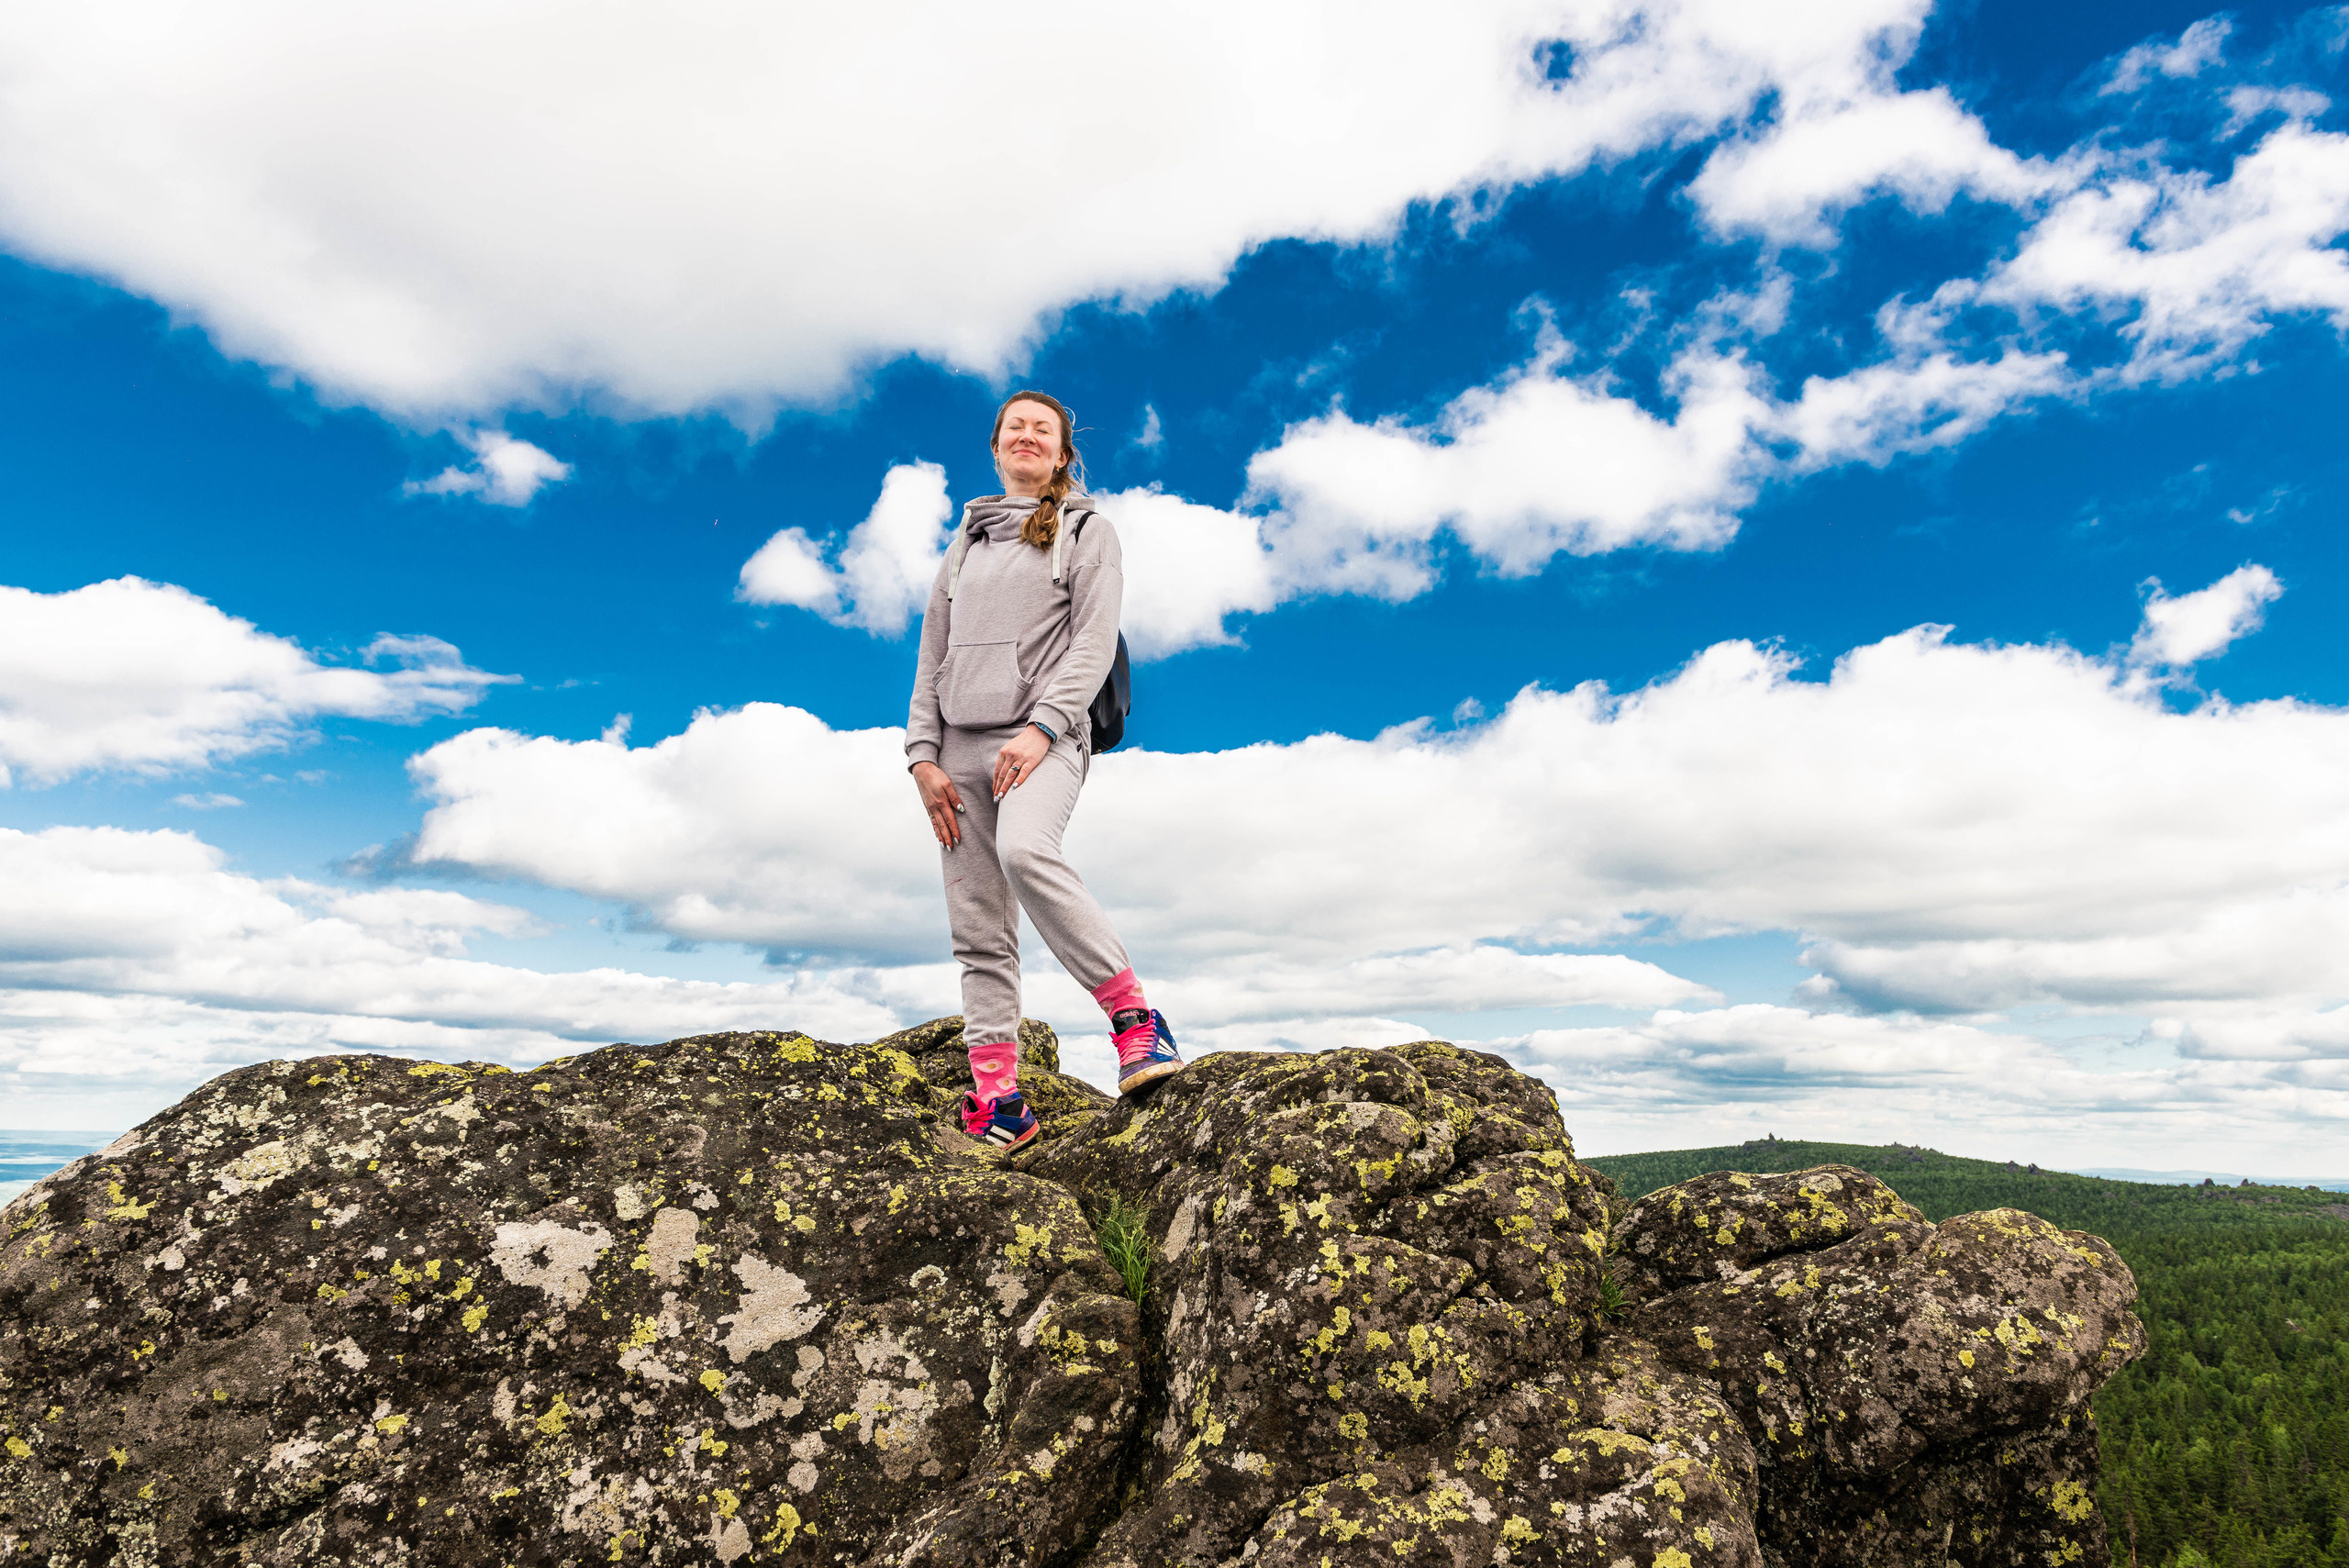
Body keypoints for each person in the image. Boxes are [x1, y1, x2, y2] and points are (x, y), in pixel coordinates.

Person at [904, 391, 1183, 1151]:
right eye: (1013, 428)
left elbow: (1091, 645)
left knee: (1027, 852)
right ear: (996, 448)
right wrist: (922, 758)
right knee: (978, 928)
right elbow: (933, 657)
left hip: (1043, 737)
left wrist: (1041, 728)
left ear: (1062, 454)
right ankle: (999, 1101)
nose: (1026, 437)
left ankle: (1136, 1021)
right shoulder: (963, 546)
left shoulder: (1088, 531)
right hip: (957, 751)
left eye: (1043, 430)